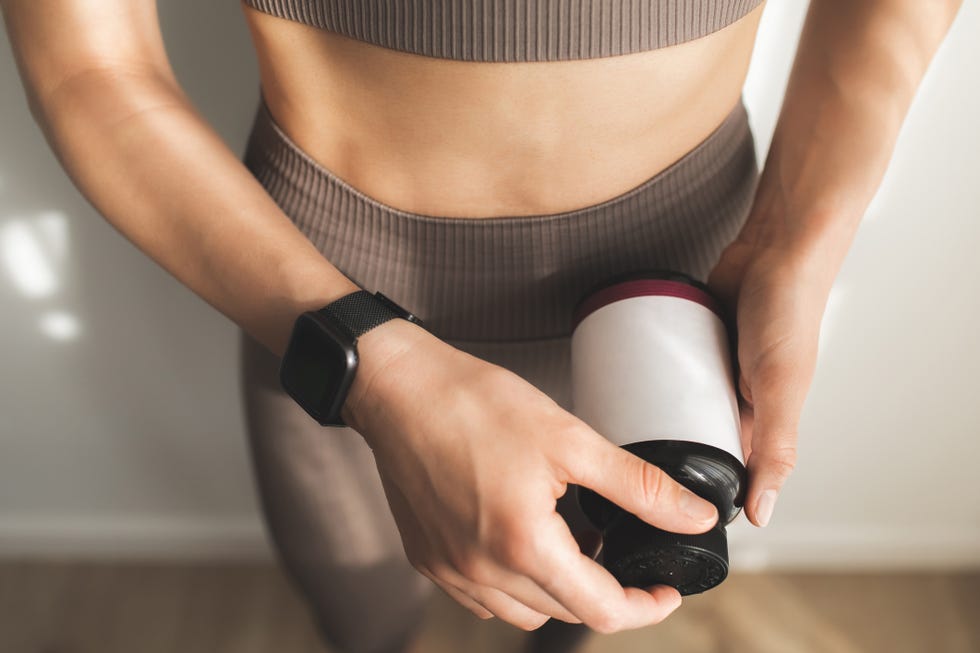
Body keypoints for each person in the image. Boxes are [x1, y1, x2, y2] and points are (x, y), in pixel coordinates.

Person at [0, 1, 964, 652]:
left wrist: (796, 238)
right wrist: (371, 364)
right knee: (359, 607)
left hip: (675, 295)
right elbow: (92, 66)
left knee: (583, 601)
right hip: (318, 287)